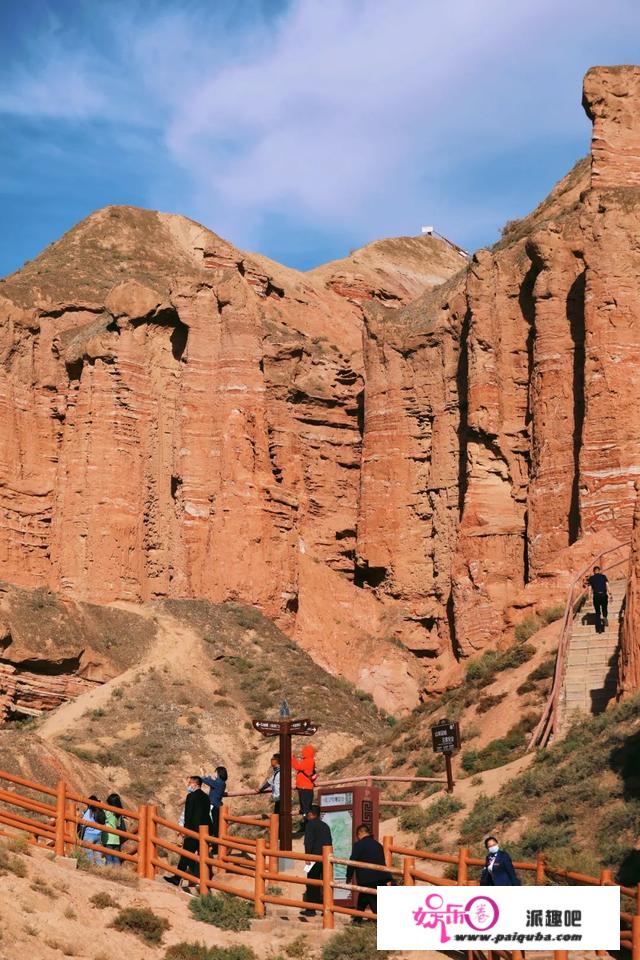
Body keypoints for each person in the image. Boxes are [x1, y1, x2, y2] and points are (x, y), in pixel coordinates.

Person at [164, 776, 211, 895]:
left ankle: (177, 878)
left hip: (192, 831)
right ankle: (201, 880)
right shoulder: (206, 797)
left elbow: (188, 815)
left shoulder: (191, 796)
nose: (189, 785)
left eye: (190, 783)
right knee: (200, 856)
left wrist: (185, 830)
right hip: (204, 831)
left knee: (186, 854)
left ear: (195, 784)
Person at [345, 824, 393, 922]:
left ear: (360, 833)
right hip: (381, 877)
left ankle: (379, 923)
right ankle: (357, 919)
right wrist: (388, 878)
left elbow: (352, 861)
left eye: (357, 835)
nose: (357, 838)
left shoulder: (359, 845)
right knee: (362, 899)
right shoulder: (378, 845)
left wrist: (348, 876)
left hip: (367, 879)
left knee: (374, 902)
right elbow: (382, 861)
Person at [300, 804, 332, 920]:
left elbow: (308, 842)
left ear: (311, 814)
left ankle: (311, 909)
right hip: (326, 857)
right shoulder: (325, 826)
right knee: (326, 883)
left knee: (312, 883)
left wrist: (307, 856)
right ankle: (327, 908)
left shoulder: (310, 825)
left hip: (314, 858)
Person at [200, 766, 227, 856]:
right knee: (217, 828)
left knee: (213, 829)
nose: (214, 774)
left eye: (215, 772)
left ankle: (215, 849)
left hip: (213, 807)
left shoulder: (218, 783)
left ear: (218, 773)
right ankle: (217, 848)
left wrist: (203, 773)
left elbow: (204, 780)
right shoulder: (222, 783)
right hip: (218, 807)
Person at [292, 744, 316, 834]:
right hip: (307, 787)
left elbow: (298, 767)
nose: (302, 753)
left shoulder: (308, 761)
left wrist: (292, 759)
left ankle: (308, 827)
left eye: (304, 751)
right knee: (306, 808)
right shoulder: (311, 761)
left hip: (304, 787)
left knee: (305, 809)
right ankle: (307, 826)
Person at [78, 795, 106, 865]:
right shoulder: (100, 810)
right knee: (98, 856)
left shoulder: (89, 811)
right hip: (98, 835)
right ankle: (100, 869)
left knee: (88, 855)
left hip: (89, 835)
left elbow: (83, 824)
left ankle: (90, 867)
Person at [103, 793, 126, 867]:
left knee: (109, 857)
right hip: (116, 838)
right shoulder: (119, 813)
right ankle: (118, 872)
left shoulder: (108, 812)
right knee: (116, 857)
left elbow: (101, 810)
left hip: (108, 838)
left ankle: (109, 872)